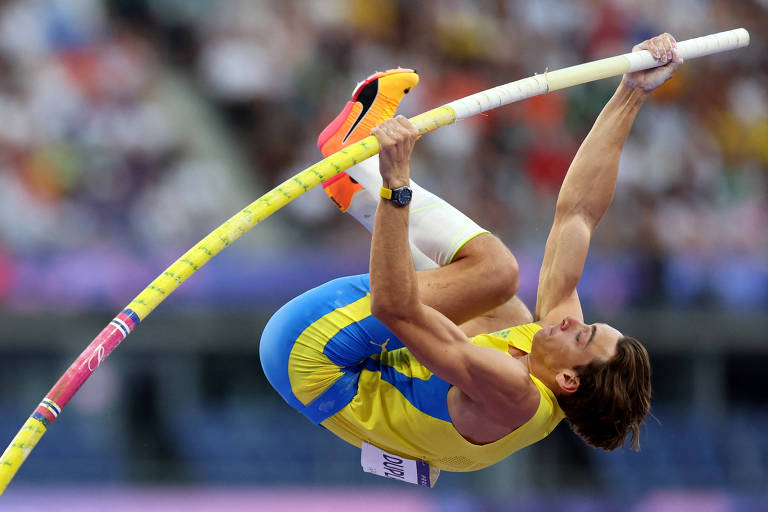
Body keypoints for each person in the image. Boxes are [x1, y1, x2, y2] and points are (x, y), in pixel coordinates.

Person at [260, 34, 682, 475]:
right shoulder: (551, 364)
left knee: (496, 273)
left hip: (307, 355)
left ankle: (355, 157)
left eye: (581, 336)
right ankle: (353, 181)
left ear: (568, 381)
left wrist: (396, 183)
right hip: (367, 378)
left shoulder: (513, 390)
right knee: (508, 312)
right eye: (588, 324)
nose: (573, 320)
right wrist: (631, 92)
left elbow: (393, 307)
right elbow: (577, 215)